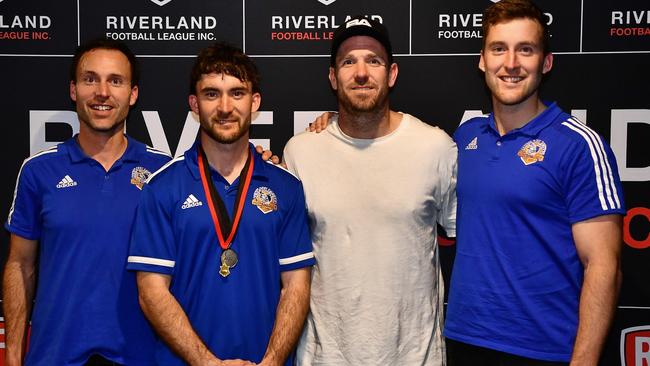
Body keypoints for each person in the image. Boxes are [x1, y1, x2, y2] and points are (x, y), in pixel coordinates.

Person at [444, 1, 625, 364]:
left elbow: (604, 266)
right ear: (482, 60)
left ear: (546, 62)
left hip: (544, 351)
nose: (511, 63)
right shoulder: (464, 138)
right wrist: (339, 120)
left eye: (525, 50)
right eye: (499, 49)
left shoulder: (579, 145)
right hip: (464, 339)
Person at [126, 42, 314, 366]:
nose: (225, 107)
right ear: (194, 104)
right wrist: (208, 364)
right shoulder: (162, 187)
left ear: (255, 102)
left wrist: (271, 362)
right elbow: (151, 292)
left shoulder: (287, 188)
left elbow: (296, 286)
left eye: (237, 93)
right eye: (212, 94)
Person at [283, 16, 457, 365]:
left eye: (373, 61)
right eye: (349, 61)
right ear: (333, 77)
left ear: (391, 74)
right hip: (324, 357)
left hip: (414, 357)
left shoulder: (435, 147)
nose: (361, 73)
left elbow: (466, 242)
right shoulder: (300, 152)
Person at [3, 39, 170, 365]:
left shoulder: (163, 172)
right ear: (73, 90)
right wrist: (12, 354)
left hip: (142, 357)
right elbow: (20, 265)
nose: (102, 92)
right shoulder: (38, 170)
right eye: (90, 79)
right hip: (55, 356)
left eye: (115, 81)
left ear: (133, 94)